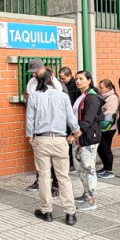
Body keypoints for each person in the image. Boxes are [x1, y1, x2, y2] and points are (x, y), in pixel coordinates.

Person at [26, 66, 80, 225]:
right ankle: (70, 213)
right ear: (52, 80)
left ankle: (46, 211)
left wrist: (30, 136)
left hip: (41, 139)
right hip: (60, 139)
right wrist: (76, 131)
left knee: (43, 176)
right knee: (64, 177)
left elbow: (30, 119)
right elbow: (71, 118)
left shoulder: (34, 97)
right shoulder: (63, 96)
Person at [72, 70, 103, 212]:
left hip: (88, 137)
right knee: (80, 167)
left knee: (89, 168)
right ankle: (86, 193)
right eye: (76, 79)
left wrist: (75, 134)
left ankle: (91, 199)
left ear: (89, 80)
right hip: (79, 137)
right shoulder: (81, 96)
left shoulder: (92, 98)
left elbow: (87, 120)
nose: (78, 81)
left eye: (81, 79)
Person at [96, 79, 119, 179]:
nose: (100, 90)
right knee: (101, 147)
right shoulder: (103, 96)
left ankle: (109, 170)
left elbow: (110, 112)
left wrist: (99, 112)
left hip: (109, 127)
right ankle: (105, 167)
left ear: (108, 88)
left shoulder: (112, 97)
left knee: (105, 148)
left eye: (102, 88)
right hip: (102, 126)